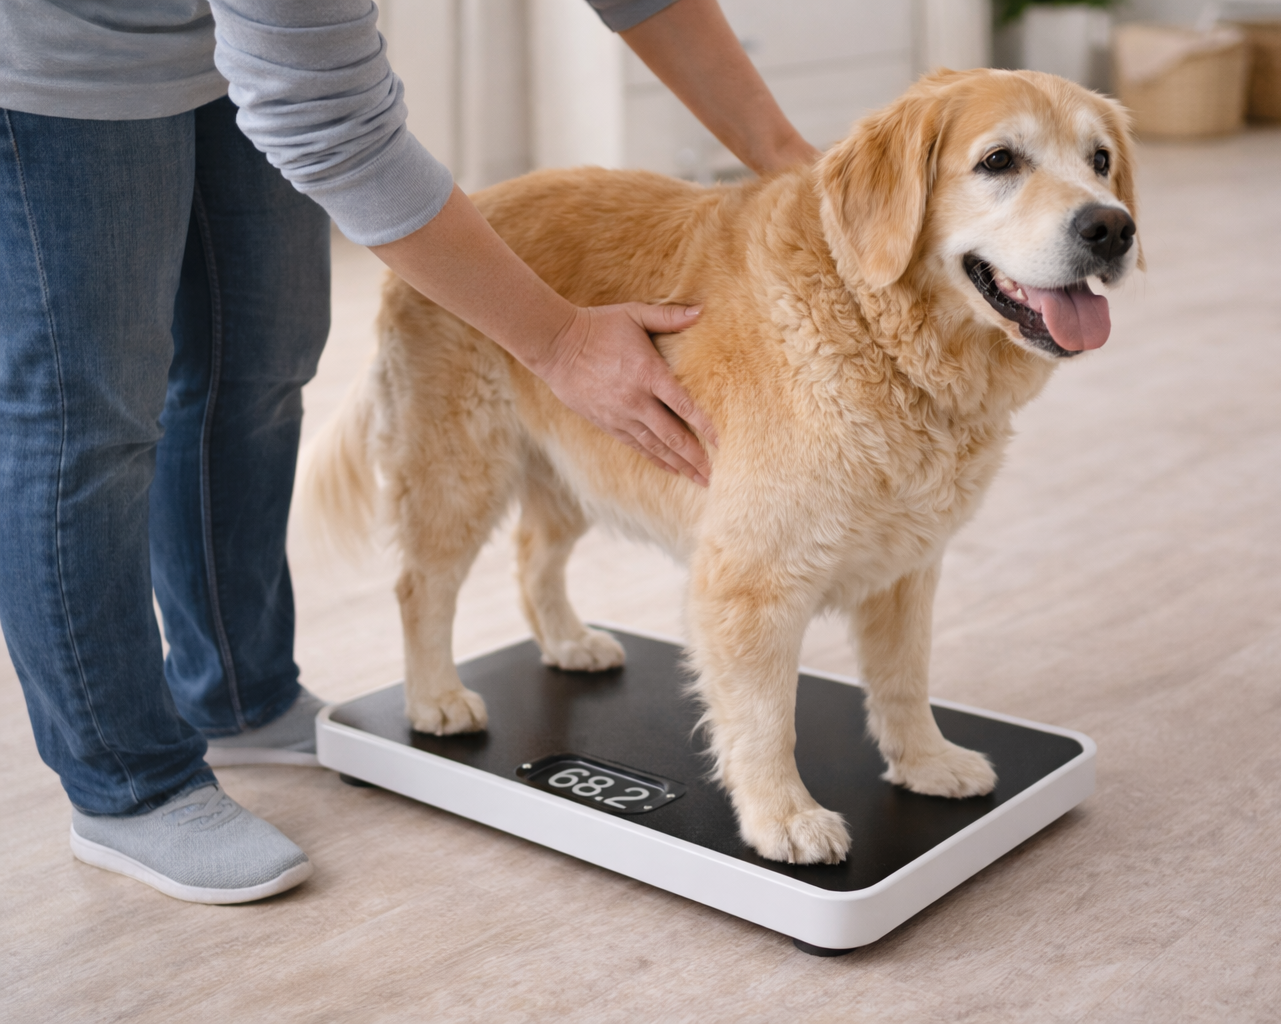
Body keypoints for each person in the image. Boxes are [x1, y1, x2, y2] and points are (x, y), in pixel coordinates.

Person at [0, 0, 816, 904]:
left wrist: (791, 160)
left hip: (233, 37)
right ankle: (125, 782)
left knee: (261, 361)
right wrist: (558, 343)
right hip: (59, 57)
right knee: (90, 418)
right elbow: (330, 123)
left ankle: (235, 693)